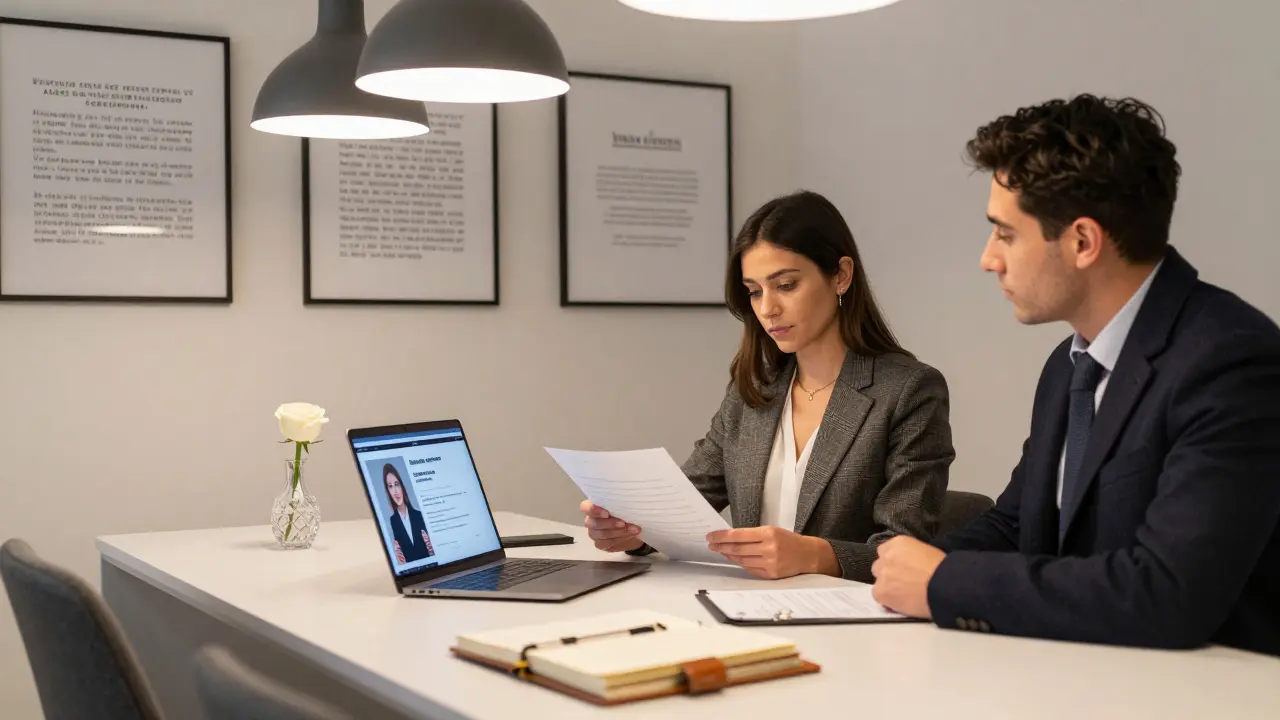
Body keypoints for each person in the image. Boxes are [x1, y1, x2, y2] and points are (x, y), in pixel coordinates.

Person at [869, 95, 1280, 656]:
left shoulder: (1232, 360)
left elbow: (1169, 594)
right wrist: (902, 568)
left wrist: (943, 584)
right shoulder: (1069, 366)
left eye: (1005, 234)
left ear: (1082, 242)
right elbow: (1017, 527)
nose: (988, 259)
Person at [581, 190, 955, 582]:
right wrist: (632, 532)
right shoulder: (754, 390)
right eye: (755, 291)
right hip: (747, 610)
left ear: (841, 276)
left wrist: (814, 555)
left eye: (787, 285)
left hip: (852, 624)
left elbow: (905, 547)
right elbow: (685, 502)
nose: (767, 309)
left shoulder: (910, 391)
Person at [382, 463, 433, 564]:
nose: (395, 491)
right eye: (390, 486)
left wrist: (432, 549)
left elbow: (430, 551)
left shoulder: (418, 515)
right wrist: (399, 560)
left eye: (397, 484)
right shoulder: (393, 521)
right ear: (388, 491)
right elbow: (404, 557)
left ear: (402, 486)